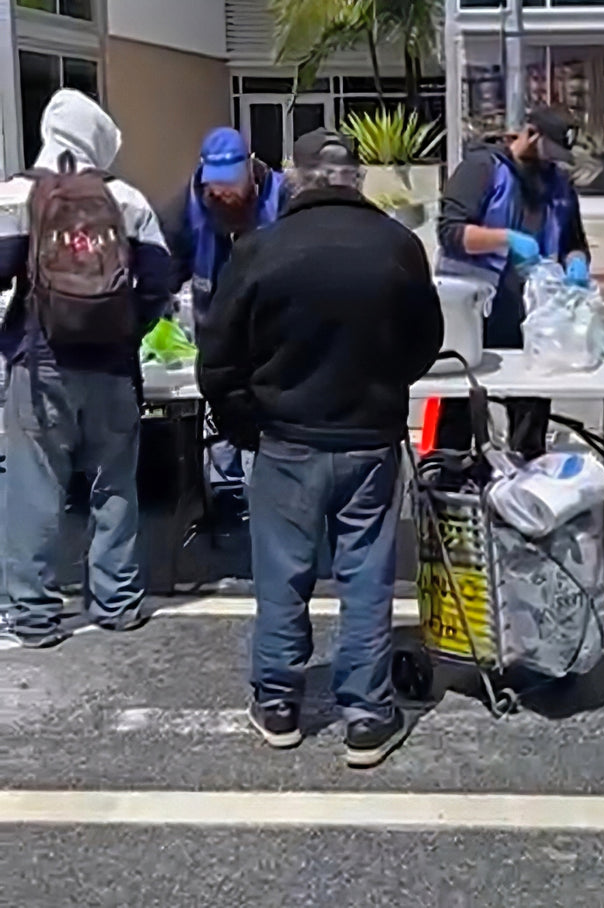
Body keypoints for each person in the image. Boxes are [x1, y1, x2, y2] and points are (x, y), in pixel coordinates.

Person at [197, 129, 443, 766]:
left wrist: (245, 425)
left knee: (283, 575)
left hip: (286, 435)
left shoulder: (260, 249)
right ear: (356, 178)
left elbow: (217, 361)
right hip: (369, 436)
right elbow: (424, 343)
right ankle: (367, 713)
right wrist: (382, 389)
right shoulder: (398, 245)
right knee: (366, 577)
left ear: (293, 177)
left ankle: (279, 702)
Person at [0, 89, 171, 648]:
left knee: (34, 490)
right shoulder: (128, 199)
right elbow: (160, 281)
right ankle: (118, 603)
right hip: (114, 368)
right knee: (114, 486)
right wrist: (127, 329)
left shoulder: (18, 194)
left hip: (39, 365)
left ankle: (33, 615)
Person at [435, 105, 591, 460]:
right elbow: (450, 232)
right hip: (475, 314)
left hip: (532, 315)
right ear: (531, 134)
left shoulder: (559, 184)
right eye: (550, 150)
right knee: (462, 403)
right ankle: (450, 473)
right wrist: (506, 239)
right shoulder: (482, 168)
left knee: (532, 404)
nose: (553, 161)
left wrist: (576, 265)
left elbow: (574, 241)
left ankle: (528, 472)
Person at [161, 127, 288, 492]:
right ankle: (227, 494)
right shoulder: (184, 209)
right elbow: (167, 270)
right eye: (215, 185)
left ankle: (266, 491)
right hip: (216, 336)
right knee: (224, 427)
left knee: (271, 430)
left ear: (250, 170)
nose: (222, 193)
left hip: (273, 336)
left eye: (231, 184)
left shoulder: (284, 197)